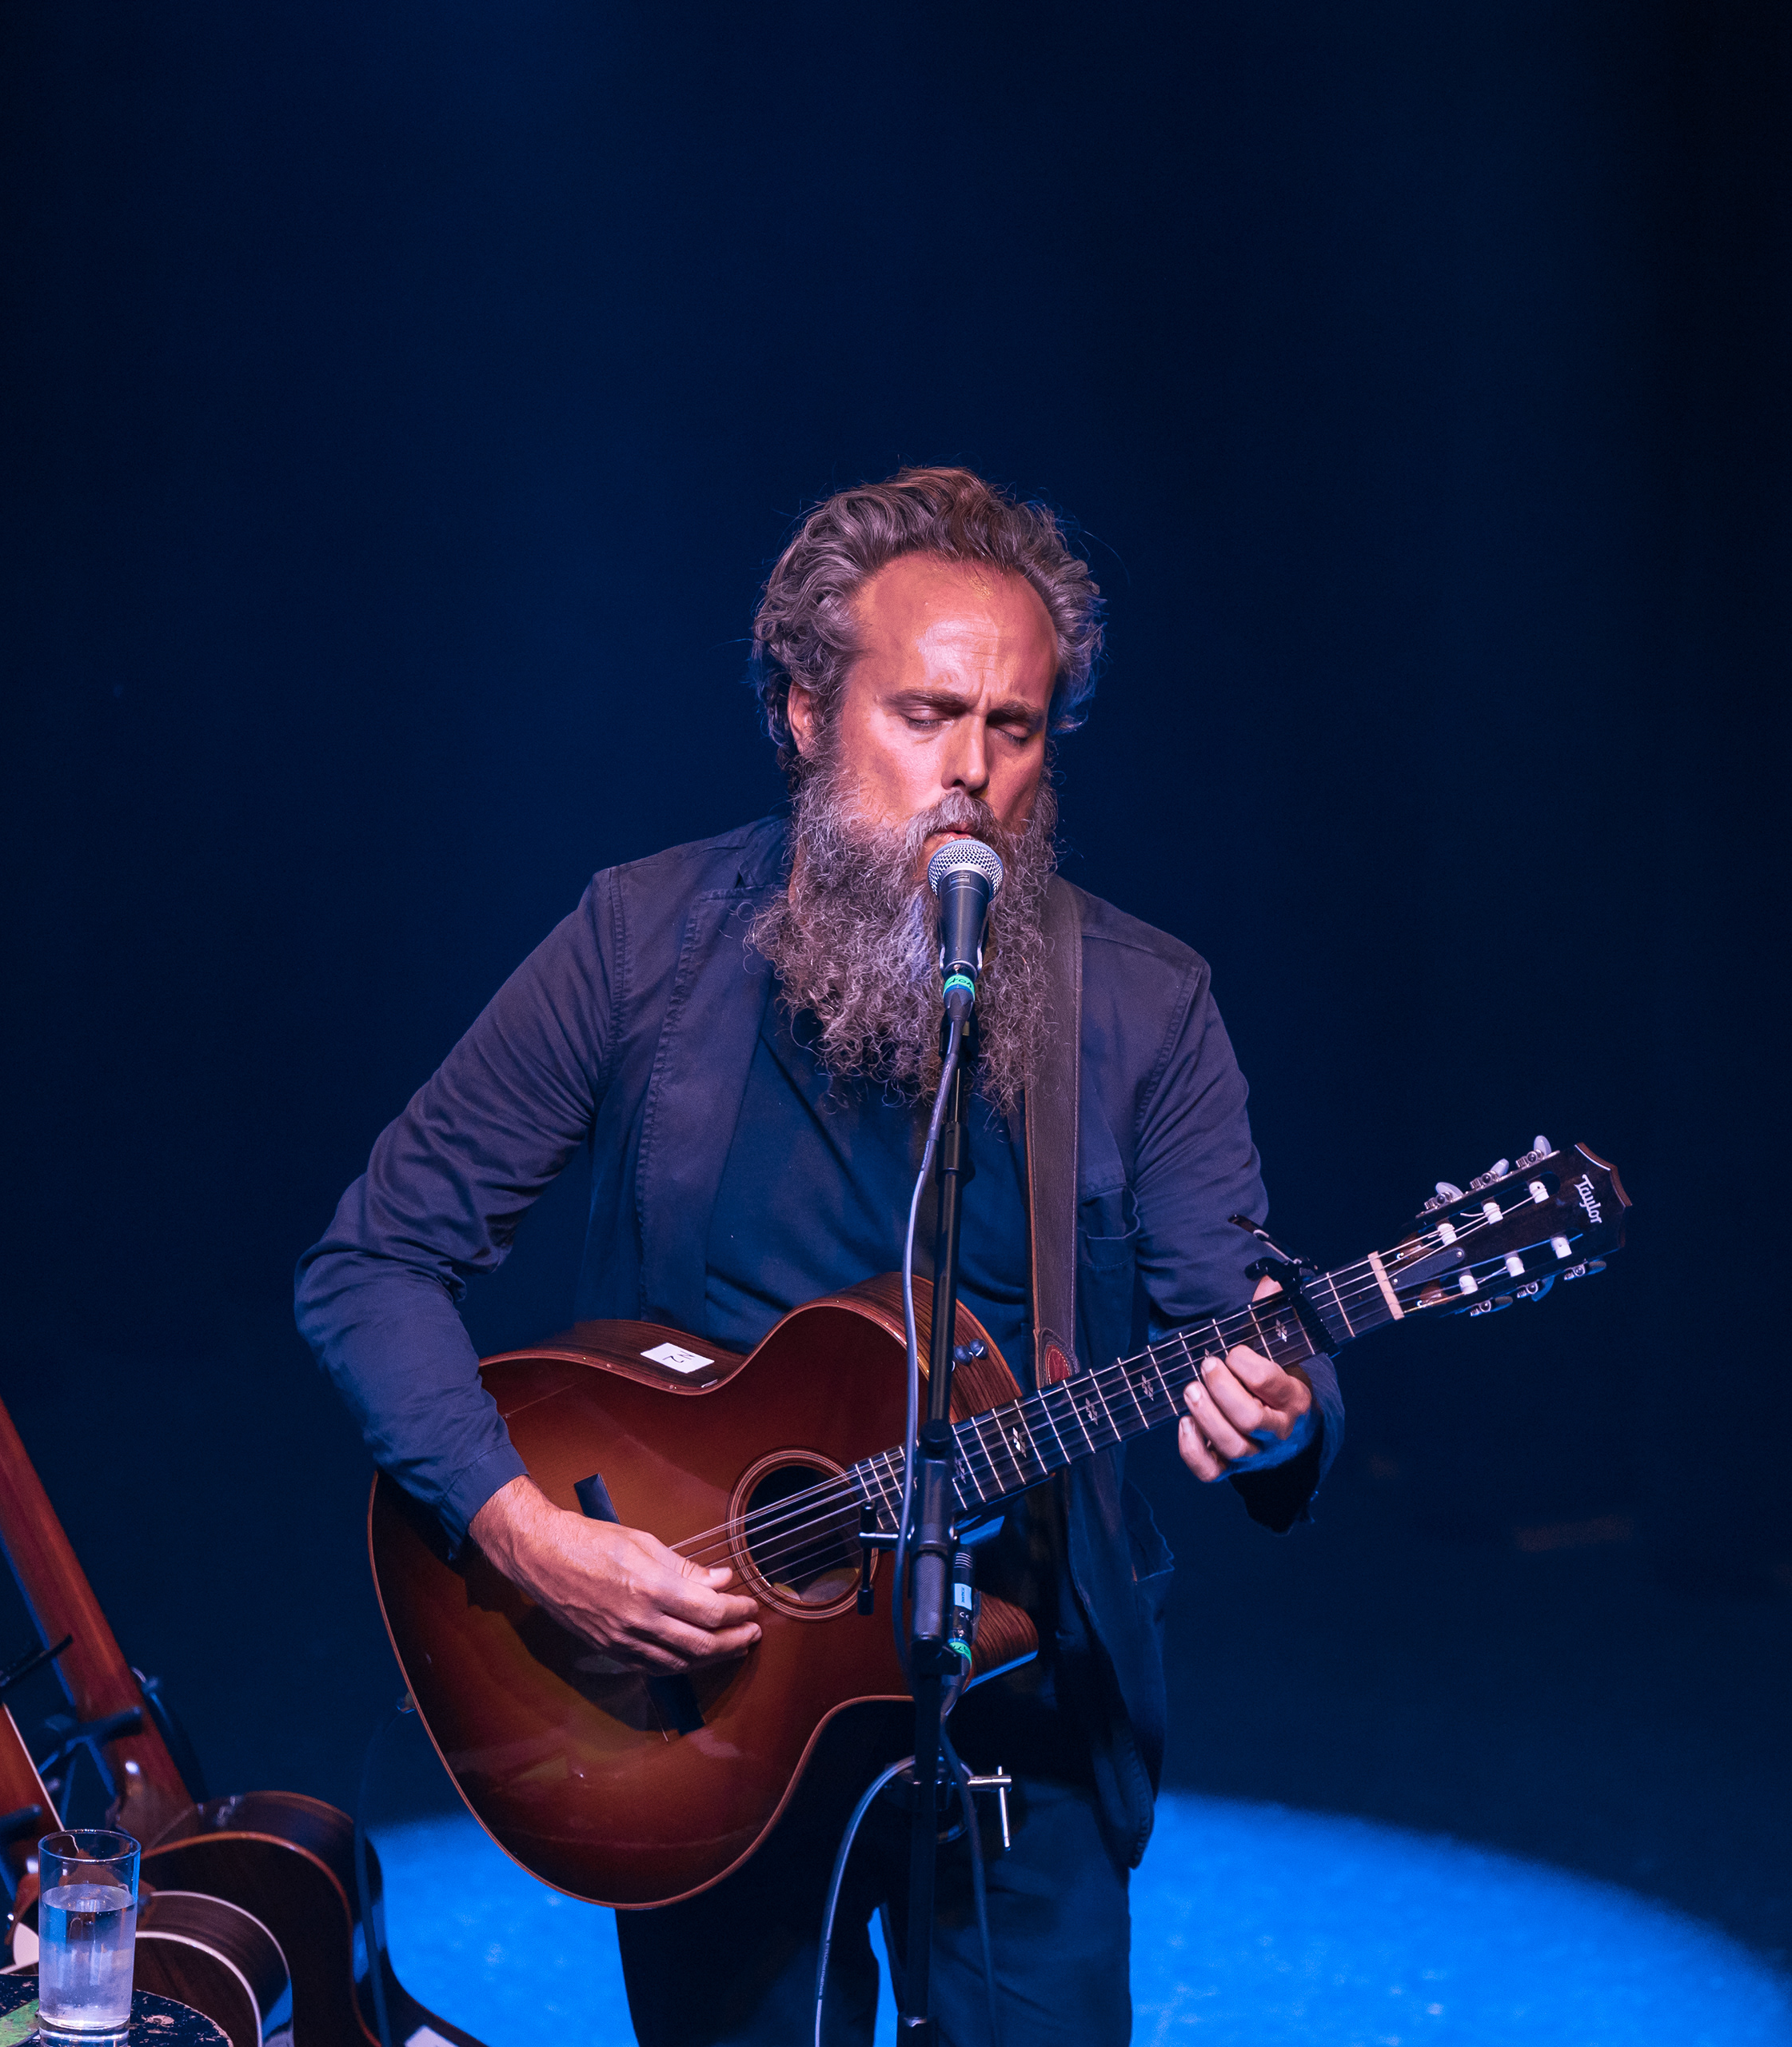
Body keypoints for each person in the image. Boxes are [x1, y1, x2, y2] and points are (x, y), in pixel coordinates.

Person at [297, 467, 1340, 2047]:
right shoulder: (640, 941)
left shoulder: (1145, 1005)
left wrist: (1280, 1402)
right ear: (801, 710)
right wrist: (521, 1533)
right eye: (926, 715)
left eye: (1014, 728)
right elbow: (374, 1256)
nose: (970, 772)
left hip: (1021, 1703)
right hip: (708, 1706)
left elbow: (1241, 1316)